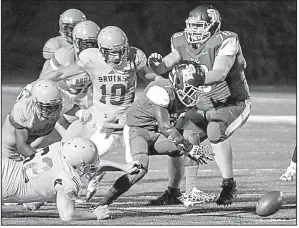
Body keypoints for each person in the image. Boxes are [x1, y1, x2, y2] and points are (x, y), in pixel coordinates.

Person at [41, 25, 162, 200]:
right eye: (111, 52)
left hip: (128, 122)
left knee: (138, 168)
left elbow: (148, 76)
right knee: (76, 160)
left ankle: (106, 201)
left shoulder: (135, 56)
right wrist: (38, 85)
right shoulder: (91, 59)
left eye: (120, 51)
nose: (117, 56)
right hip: (102, 122)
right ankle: (42, 196)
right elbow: (61, 73)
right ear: (101, 51)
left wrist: (160, 79)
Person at [147, 5, 251, 207]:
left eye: (199, 27)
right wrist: (157, 64)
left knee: (215, 131)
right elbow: (167, 64)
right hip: (201, 105)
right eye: (191, 26)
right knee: (178, 137)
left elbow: (219, 73)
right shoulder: (180, 40)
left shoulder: (226, 40)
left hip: (232, 102)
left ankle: (229, 185)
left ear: (213, 27)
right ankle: (174, 192)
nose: (193, 31)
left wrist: (197, 78)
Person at [92, 60, 215, 208]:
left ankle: (190, 192)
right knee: (138, 169)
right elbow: (165, 127)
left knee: (192, 137)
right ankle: (102, 204)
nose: (194, 93)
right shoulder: (160, 90)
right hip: (137, 132)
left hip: (155, 134)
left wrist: (188, 144)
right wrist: (189, 147)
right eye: (192, 88)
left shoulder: (181, 94)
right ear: (178, 82)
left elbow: (171, 127)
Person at [2, 137, 140, 221]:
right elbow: (67, 216)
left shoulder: (60, 147)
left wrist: (124, 167)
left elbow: (87, 162)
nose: (91, 168)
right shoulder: (67, 179)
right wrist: (95, 215)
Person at [18, 20, 100, 137]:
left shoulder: (98, 61)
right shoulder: (64, 55)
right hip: (58, 100)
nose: (89, 48)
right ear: (76, 42)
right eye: (85, 44)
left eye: (93, 44)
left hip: (79, 105)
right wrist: (31, 87)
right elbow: (50, 77)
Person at [2, 79, 74, 162]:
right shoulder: (24, 110)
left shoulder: (65, 103)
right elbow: (21, 146)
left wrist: (82, 115)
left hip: (32, 146)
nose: (52, 110)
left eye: (56, 106)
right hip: (10, 150)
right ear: (35, 103)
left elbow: (74, 123)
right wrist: (42, 160)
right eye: (47, 107)